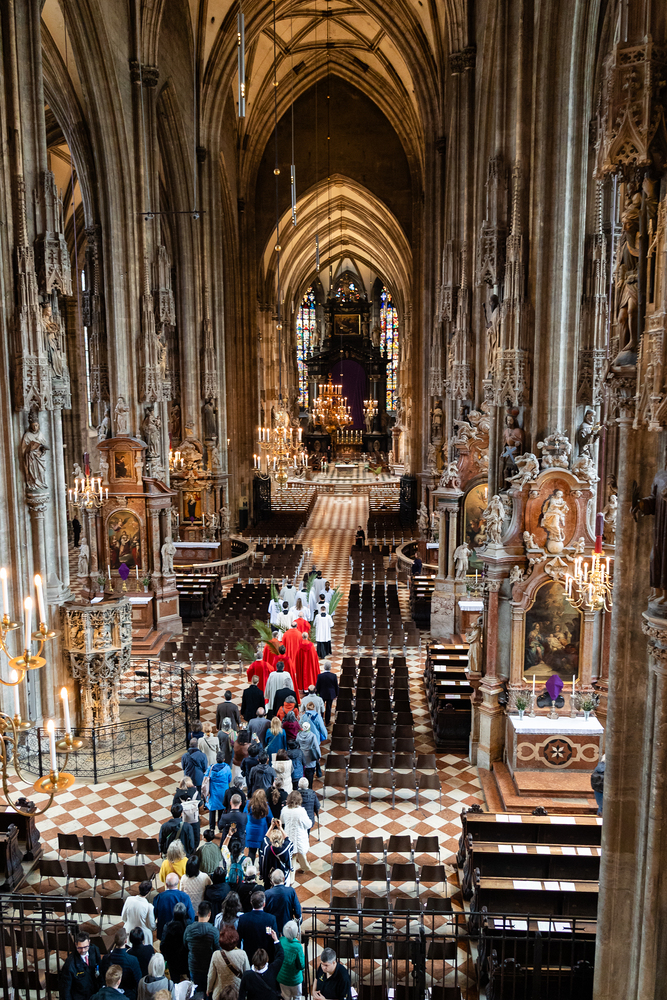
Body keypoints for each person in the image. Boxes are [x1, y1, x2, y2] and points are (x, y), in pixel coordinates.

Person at [183, 900, 219, 991]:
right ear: (209, 914)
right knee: (208, 989)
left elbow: (185, 945)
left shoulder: (189, 929)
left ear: (197, 913)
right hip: (209, 967)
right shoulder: (214, 931)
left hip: (193, 966)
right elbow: (218, 950)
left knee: (195, 990)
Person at [238, 929, 283, 1000]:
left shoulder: (247, 976)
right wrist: (276, 939)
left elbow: (241, 996)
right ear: (266, 960)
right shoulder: (273, 970)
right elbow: (280, 956)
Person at [207, 925, 251, 998]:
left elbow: (211, 975)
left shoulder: (216, 955)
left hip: (220, 992)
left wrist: (209, 989)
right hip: (237, 992)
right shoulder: (242, 954)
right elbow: (247, 974)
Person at [99, 929, 142, 1000]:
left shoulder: (106, 958)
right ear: (126, 941)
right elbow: (138, 980)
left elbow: (102, 976)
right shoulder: (132, 960)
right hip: (128, 995)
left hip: (109, 995)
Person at [238, 890, 279, 963]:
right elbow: (275, 938)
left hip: (249, 956)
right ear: (264, 904)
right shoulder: (271, 919)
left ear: (251, 903)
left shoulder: (243, 918)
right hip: (266, 957)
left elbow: (238, 938)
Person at [60, 931, 100, 1000]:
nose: (83, 950)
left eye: (85, 947)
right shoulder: (70, 963)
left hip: (94, 994)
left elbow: (100, 968)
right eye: (80, 948)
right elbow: (66, 989)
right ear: (76, 945)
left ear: (89, 942)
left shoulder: (95, 950)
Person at [153, 872, 195, 940]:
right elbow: (191, 916)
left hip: (164, 932)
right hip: (180, 932)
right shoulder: (185, 897)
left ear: (166, 884)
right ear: (178, 883)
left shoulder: (158, 897)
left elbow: (154, 915)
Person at [280, 791, 312, 874]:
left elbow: (282, 821)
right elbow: (308, 824)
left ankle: (292, 876)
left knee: (292, 857)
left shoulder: (284, 809)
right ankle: (305, 867)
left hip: (288, 836)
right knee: (301, 855)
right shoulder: (301, 811)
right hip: (299, 837)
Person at [160, 902, 191, 982]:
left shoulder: (167, 926)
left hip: (172, 961)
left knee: (175, 982)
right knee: (190, 980)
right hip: (187, 959)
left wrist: (166, 957)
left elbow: (162, 944)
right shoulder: (189, 925)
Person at [258, 820, 293, 889]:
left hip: (269, 878)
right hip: (283, 877)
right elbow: (288, 840)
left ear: (271, 839)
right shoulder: (285, 849)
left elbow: (265, 839)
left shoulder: (267, 848)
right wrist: (280, 828)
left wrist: (271, 826)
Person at [205, 750, 233, 830]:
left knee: (212, 810)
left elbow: (205, 778)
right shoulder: (227, 768)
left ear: (216, 759)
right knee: (221, 810)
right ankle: (221, 828)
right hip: (223, 792)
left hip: (213, 792)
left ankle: (211, 829)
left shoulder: (210, 768)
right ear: (224, 759)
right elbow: (229, 779)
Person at [276, 921, 305, 1000]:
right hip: (295, 979)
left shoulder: (281, 940)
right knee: (297, 997)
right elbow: (301, 965)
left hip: (282, 978)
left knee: (285, 997)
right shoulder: (298, 947)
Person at [122, 880, 156, 946]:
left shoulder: (129, 899)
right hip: (143, 936)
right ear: (148, 892)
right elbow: (152, 926)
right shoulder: (149, 907)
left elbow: (123, 917)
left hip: (128, 932)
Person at [245, 789, 271, 862]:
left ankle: (250, 868)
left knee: (251, 852)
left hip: (250, 831)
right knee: (262, 853)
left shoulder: (248, 804)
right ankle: (261, 867)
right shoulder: (266, 806)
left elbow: (244, 813)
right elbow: (270, 818)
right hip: (261, 832)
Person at [295, 722, 320, 789]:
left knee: (303, 772)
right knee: (310, 773)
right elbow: (316, 747)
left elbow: (297, 744)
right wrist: (318, 756)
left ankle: (303, 786)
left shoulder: (298, 735)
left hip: (301, 755)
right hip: (310, 756)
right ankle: (310, 787)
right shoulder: (312, 735)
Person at [315, 661, 338, 725]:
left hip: (322, 694)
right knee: (328, 708)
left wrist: (317, 694)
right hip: (330, 694)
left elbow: (317, 686)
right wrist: (336, 694)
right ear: (330, 668)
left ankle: (321, 721)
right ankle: (327, 722)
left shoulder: (320, 676)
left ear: (324, 668)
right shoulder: (334, 676)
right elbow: (336, 686)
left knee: (321, 708)